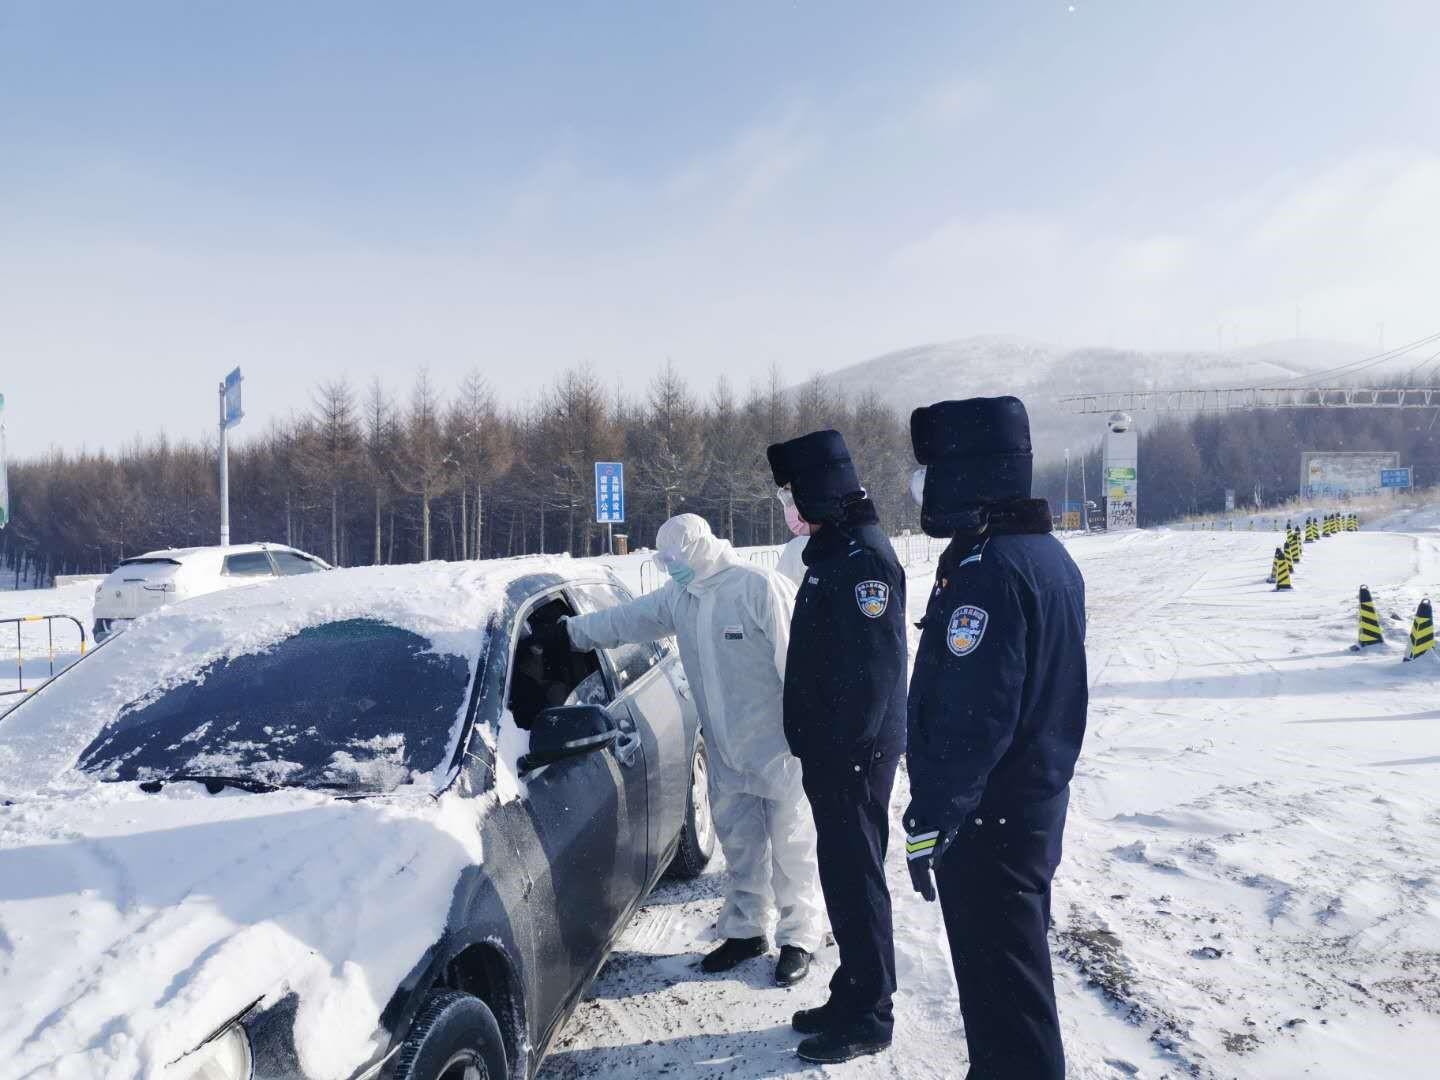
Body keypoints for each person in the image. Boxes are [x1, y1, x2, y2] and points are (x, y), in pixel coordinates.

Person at [539, 513, 824, 986]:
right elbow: (627, 620)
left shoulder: (759, 588)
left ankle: (800, 937)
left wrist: (810, 736)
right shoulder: (682, 597)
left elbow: (799, 664)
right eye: (664, 561)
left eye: (676, 560)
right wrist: (571, 633)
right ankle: (747, 930)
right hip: (725, 748)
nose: (671, 569)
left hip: (779, 747)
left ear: (699, 549)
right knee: (740, 845)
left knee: (793, 846)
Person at [903, 396, 1088, 1080]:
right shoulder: (1041, 555)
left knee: (1003, 990)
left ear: (970, 475)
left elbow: (973, 716)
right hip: (1029, 804)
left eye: (933, 471)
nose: (921, 486)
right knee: (1012, 981)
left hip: (992, 819)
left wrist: (934, 813)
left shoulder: (991, 572)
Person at [765, 430, 907, 1065]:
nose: (790, 508)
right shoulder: (834, 551)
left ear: (821, 491)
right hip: (832, 755)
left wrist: (844, 752)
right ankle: (851, 988)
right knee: (842, 878)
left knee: (859, 880)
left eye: (795, 495)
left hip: (855, 756)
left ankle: (872, 1012)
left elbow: (873, 675)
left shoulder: (865, 560)